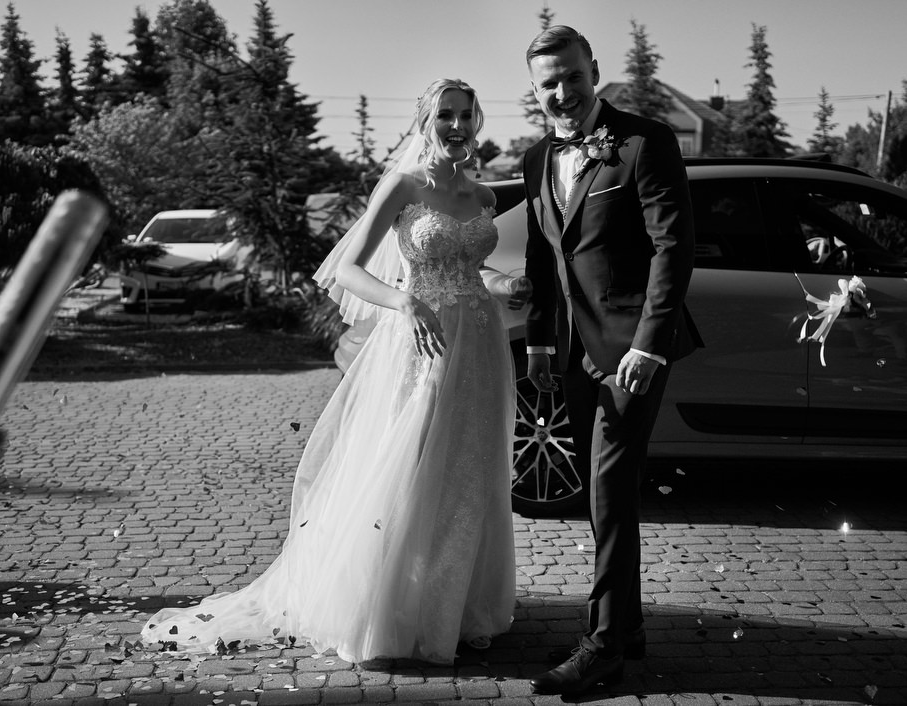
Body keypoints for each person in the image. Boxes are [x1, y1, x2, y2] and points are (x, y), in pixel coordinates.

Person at [140, 78, 531, 664]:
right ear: (425, 122)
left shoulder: (483, 197)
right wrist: (402, 300)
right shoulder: (403, 186)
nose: (456, 126)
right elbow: (347, 269)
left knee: (467, 470)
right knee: (407, 468)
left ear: (477, 122)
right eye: (445, 115)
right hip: (419, 344)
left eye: (465, 115)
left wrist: (508, 285)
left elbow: (473, 272)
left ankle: (452, 605)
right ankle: (389, 608)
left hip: (478, 343)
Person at [520, 27, 699, 695]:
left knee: (607, 489)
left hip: (632, 349)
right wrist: (540, 340)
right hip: (572, 350)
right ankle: (628, 628)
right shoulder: (537, 158)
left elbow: (673, 246)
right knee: (607, 499)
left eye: (572, 76)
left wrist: (650, 343)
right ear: (535, 91)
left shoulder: (645, 142)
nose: (563, 91)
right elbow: (543, 254)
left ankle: (602, 648)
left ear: (593, 70)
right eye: (548, 83)